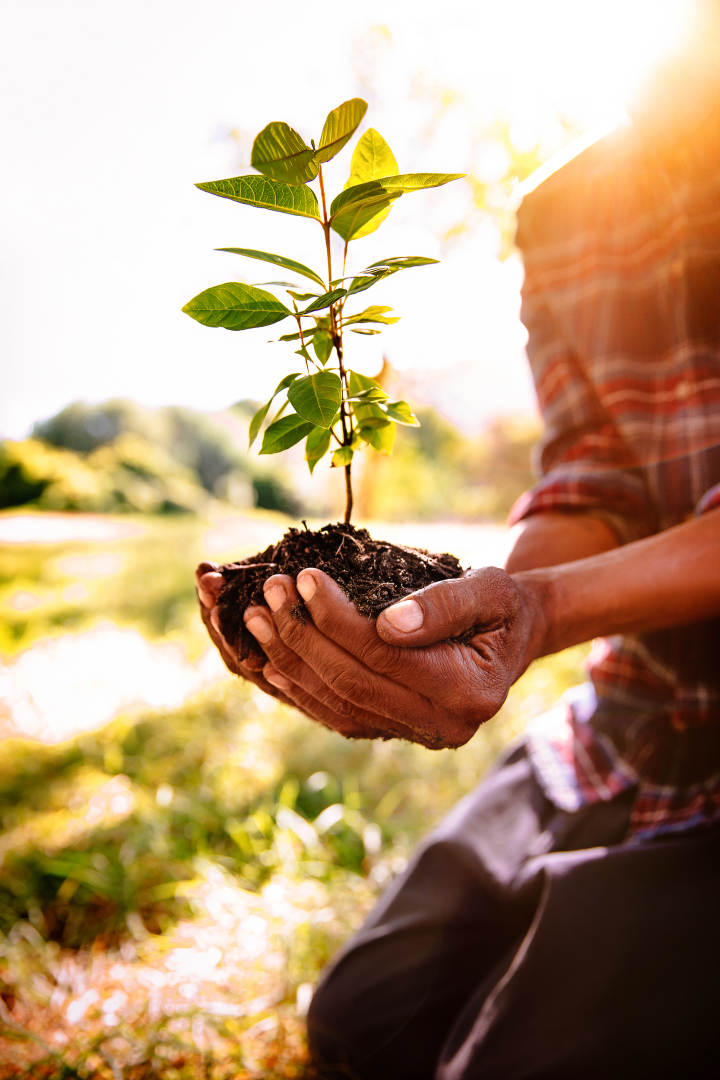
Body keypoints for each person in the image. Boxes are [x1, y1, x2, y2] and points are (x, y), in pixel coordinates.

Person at [196, 10, 720, 1076]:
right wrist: (478, 615)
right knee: (363, 1022)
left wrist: (550, 611)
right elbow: (595, 480)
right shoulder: (570, 214)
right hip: (629, 715)